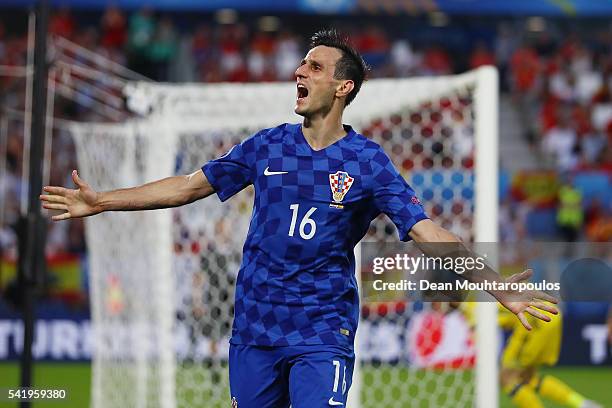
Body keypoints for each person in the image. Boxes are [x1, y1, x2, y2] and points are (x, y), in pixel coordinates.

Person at [40, 30, 558, 408]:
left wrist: (496, 288)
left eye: (313, 66)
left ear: (343, 88)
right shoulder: (266, 146)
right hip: (255, 330)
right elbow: (188, 185)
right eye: (301, 64)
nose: (298, 72)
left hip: (321, 333)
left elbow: (428, 233)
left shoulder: (367, 163)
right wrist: (103, 200)